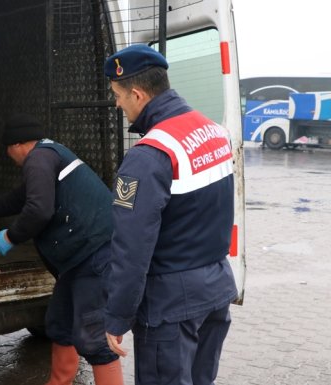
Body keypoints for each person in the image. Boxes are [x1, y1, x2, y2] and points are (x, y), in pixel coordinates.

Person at [0, 114, 123, 385]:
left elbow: (39, 210)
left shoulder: (38, 160)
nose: (8, 155)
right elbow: (16, 199)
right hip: (78, 259)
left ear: (17, 145)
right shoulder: (48, 155)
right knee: (60, 324)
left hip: (95, 254)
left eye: (7, 149)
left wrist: (12, 236)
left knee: (94, 338)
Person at [102, 44, 238, 385]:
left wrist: (117, 317)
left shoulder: (148, 156)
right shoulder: (213, 132)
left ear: (136, 94)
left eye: (117, 95)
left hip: (172, 303)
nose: (117, 104)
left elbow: (130, 248)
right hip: (216, 287)